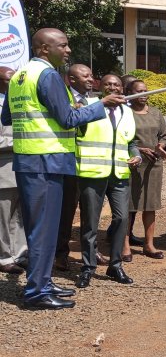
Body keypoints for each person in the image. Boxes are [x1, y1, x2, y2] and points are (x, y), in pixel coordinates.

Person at [0, 28, 125, 309]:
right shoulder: (48, 76)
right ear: (45, 49)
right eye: (64, 46)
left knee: (38, 227)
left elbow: (6, 116)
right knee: (44, 229)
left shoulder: (20, 76)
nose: (68, 51)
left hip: (29, 161)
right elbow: (68, 118)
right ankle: (36, 293)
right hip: (46, 161)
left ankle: (42, 281)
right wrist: (101, 104)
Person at [75, 74, 141, 288]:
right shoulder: (89, 105)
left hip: (120, 173)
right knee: (90, 223)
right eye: (108, 84)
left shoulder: (128, 111)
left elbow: (130, 141)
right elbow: (74, 126)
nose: (112, 87)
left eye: (117, 85)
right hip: (93, 173)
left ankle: (115, 265)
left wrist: (137, 154)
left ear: (123, 88)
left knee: (122, 219)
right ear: (99, 87)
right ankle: (88, 267)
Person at [55, 63, 100, 271]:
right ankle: (61, 254)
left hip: (91, 164)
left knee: (91, 213)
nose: (91, 79)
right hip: (70, 166)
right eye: (85, 76)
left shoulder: (96, 101)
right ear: (71, 80)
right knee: (66, 213)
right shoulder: (63, 98)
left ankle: (90, 251)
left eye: (91, 75)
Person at [123, 79, 166, 260]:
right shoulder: (125, 113)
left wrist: (161, 145)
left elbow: (165, 135)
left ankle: (148, 245)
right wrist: (140, 149)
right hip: (133, 163)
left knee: (150, 206)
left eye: (146, 91)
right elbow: (122, 137)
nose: (143, 95)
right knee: (128, 206)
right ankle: (124, 246)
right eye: (139, 91)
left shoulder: (156, 113)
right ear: (130, 93)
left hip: (153, 165)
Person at [0, 67, 27, 274]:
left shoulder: (20, 101)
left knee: (19, 215)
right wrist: (21, 140)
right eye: (10, 80)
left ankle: (20, 253)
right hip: (4, 169)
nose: (14, 83)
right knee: (3, 216)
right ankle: (3, 257)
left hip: (24, 167)